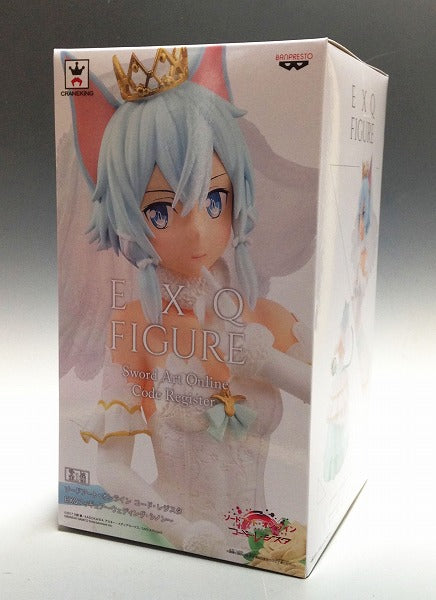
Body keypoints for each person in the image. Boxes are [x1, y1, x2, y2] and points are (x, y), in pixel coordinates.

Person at [67, 46, 314, 561]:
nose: (197, 230)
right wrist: (183, 532)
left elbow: (335, 400)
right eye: (160, 211)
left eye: (214, 200)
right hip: (171, 535)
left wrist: (264, 360)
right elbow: (111, 468)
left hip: (259, 540)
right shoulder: (135, 328)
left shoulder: (262, 316)